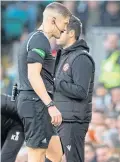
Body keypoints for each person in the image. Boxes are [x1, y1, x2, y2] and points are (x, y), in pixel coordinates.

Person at [16, 2, 72, 162]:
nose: (65, 29)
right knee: (37, 154)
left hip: (37, 103)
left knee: (55, 155)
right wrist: (50, 105)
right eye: (65, 23)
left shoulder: (38, 39)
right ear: (53, 20)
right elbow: (33, 75)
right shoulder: (39, 40)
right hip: (35, 103)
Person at [53, 15, 95, 162]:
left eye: (61, 30)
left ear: (71, 33)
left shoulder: (81, 58)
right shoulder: (64, 55)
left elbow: (81, 91)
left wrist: (55, 82)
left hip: (73, 122)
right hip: (60, 120)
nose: (56, 33)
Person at [1, 94, 24, 162]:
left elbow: (24, 111)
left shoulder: (2, 101)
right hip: (2, 130)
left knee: (5, 159)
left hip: (16, 127)